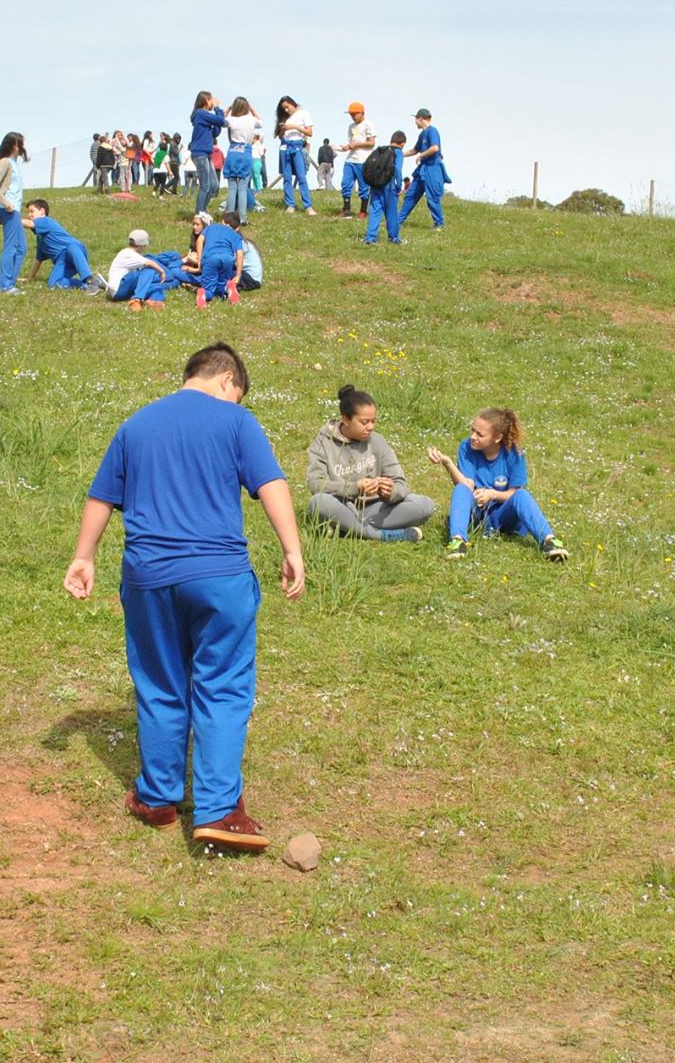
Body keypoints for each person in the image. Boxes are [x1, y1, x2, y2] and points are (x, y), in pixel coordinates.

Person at [63, 342, 304, 852]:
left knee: (159, 682)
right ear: (226, 381)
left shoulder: (136, 425)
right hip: (219, 576)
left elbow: (102, 495)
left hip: (148, 576)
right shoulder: (236, 422)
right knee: (223, 685)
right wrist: (292, 549)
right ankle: (218, 810)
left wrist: (84, 556)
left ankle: (157, 798)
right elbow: (271, 483)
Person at [426, 407, 569, 562]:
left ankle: (548, 541)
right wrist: (448, 464)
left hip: (502, 516)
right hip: (477, 515)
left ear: (497, 437)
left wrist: (492, 494)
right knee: (460, 489)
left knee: (522, 494)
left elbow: (513, 493)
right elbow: (467, 484)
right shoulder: (466, 447)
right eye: (472, 430)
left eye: (480, 434)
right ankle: (458, 540)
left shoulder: (514, 453)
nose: (473, 436)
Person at [305, 384, 437, 542]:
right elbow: (315, 484)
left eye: (373, 421)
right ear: (345, 419)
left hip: (375, 510)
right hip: (342, 506)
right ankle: (384, 535)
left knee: (424, 505)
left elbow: (401, 484)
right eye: (364, 422)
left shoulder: (378, 441)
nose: (371, 427)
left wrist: (390, 491)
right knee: (318, 503)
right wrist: (354, 488)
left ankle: (347, 528)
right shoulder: (322, 444)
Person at [24, 199, 103, 292]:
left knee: (71, 247)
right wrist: (30, 278)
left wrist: (11, 220)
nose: (29, 215)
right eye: (28, 212)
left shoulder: (45, 220)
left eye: (32, 211)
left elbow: (28, 223)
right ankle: (89, 285)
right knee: (53, 283)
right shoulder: (41, 238)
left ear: (42, 211)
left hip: (75, 253)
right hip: (63, 261)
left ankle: (89, 279)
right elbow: (38, 260)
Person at [0, 133, 29, 295]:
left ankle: (10, 283)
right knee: (11, 246)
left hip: (14, 209)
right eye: (20, 144)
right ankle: (5, 285)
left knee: (22, 248)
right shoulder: (5, 162)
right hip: (7, 209)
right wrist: (6, 203)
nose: (22, 147)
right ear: (13, 145)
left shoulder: (15, 163)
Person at [398, 108, 450, 230]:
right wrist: (398, 154)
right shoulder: (422, 135)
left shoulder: (432, 131)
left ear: (420, 119)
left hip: (433, 168)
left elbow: (435, 148)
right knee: (410, 195)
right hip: (422, 170)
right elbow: (414, 150)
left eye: (416, 119)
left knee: (432, 197)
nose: (415, 122)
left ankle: (439, 224)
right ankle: (398, 221)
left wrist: (421, 155)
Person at [107, 228, 171, 311]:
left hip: (123, 289)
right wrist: (161, 271)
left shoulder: (128, 253)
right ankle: (136, 299)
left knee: (156, 287)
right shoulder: (128, 254)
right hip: (118, 289)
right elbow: (149, 263)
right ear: (142, 245)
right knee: (149, 270)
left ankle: (154, 300)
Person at [194, 210, 248, 308]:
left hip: (210, 258)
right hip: (227, 259)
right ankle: (228, 287)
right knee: (221, 284)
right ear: (237, 227)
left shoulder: (210, 228)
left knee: (209, 289)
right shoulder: (235, 235)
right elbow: (240, 254)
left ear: (223, 221)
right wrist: (238, 275)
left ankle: (203, 294)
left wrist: (200, 260)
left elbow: (199, 241)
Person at [362, 130, 404, 246]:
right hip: (389, 188)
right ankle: (394, 238)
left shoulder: (381, 150)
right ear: (402, 143)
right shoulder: (398, 152)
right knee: (392, 213)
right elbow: (398, 171)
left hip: (376, 186)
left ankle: (370, 238)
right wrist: (398, 186)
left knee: (375, 211)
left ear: (392, 140)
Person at [274, 96, 315, 214]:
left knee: (301, 176)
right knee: (286, 178)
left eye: (287, 107)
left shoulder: (304, 114)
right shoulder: (285, 118)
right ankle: (290, 204)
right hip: (284, 147)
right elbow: (280, 136)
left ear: (292, 103)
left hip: (297, 146)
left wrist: (294, 127)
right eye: (284, 109)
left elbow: (310, 132)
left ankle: (308, 206)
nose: (286, 110)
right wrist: (282, 129)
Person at [189, 92, 228, 216]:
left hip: (205, 154)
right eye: (211, 100)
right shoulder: (201, 113)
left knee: (214, 185)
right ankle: (200, 214)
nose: (213, 102)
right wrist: (217, 108)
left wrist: (218, 120)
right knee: (205, 186)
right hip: (200, 153)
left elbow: (215, 132)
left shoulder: (204, 117)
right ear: (206, 100)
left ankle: (202, 210)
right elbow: (221, 120)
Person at [222, 97, 260, 219]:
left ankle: (229, 216)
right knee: (243, 188)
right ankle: (242, 218)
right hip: (245, 153)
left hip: (233, 152)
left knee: (232, 188)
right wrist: (252, 108)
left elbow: (220, 120)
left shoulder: (231, 120)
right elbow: (260, 121)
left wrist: (228, 108)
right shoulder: (251, 120)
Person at [338, 102, 375, 218]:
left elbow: (371, 143)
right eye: (351, 114)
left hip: (363, 160)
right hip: (350, 159)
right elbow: (351, 142)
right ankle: (346, 209)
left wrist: (356, 145)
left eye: (354, 114)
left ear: (362, 113)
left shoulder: (368, 124)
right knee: (345, 183)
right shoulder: (351, 126)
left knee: (364, 186)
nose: (352, 116)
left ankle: (363, 211)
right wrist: (346, 147)